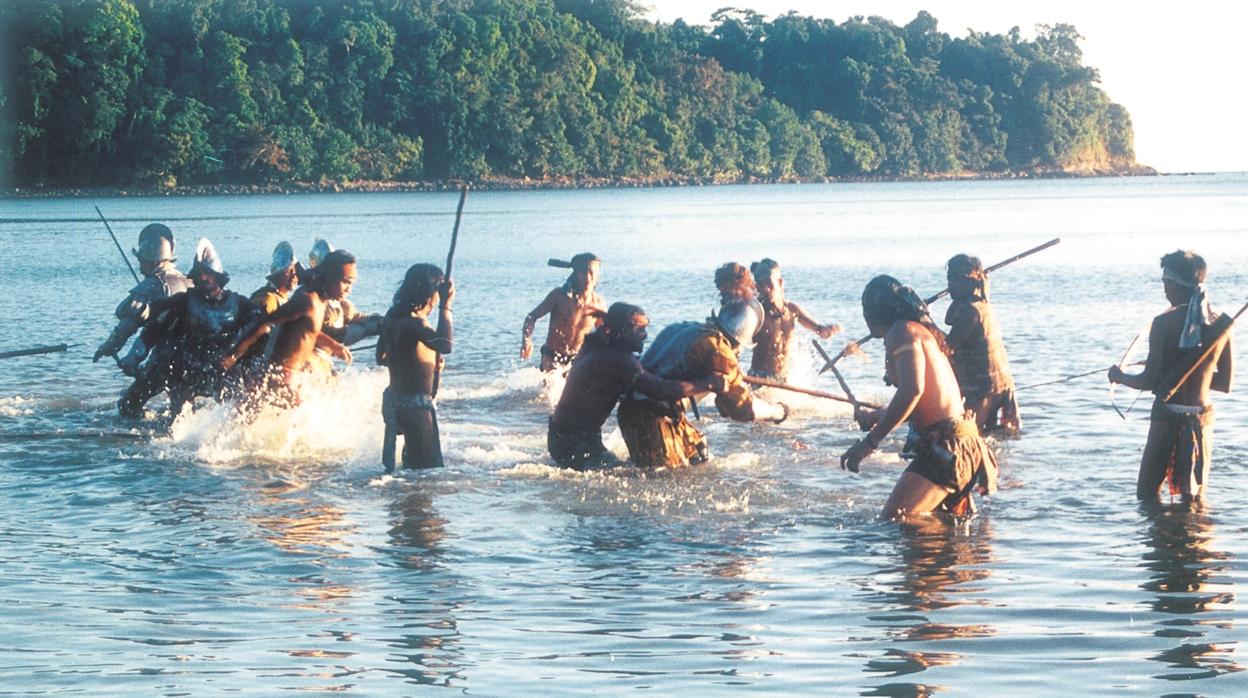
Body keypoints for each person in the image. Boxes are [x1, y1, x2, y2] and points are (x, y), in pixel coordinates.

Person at [840, 275, 998, 520]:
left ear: (871, 312)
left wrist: (869, 443)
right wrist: (878, 416)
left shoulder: (901, 331)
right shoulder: (916, 331)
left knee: (894, 520)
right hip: (961, 443)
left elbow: (913, 390)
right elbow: (922, 402)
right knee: (941, 530)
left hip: (948, 448)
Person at [1108, 250, 1234, 500]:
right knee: (1195, 497)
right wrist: (1196, 374)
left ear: (1174, 284)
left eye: (1166, 284)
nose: (1165, 291)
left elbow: (1149, 380)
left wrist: (1119, 377)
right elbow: (1224, 383)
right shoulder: (1221, 325)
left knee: (1147, 494)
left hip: (1166, 416)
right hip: (1201, 418)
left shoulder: (1163, 323)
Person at [548, 302, 726, 469]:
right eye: (640, 329)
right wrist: (709, 383)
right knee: (627, 474)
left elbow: (638, 370)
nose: (645, 335)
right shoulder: (617, 359)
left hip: (561, 437)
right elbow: (660, 389)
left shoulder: (595, 345)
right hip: (573, 444)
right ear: (625, 331)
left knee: (622, 467)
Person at [617, 298, 788, 467]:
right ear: (741, 339)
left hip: (638, 409)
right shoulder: (719, 350)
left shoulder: (680, 328)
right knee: (667, 477)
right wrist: (777, 412)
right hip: (651, 419)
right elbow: (741, 408)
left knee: (699, 455)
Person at [221, 249, 357, 408]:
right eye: (346, 282)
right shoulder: (308, 300)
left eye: (352, 283)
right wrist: (234, 355)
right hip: (281, 379)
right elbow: (265, 321)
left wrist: (334, 345)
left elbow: (307, 329)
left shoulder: (321, 297)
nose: (349, 289)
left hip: (289, 378)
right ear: (329, 277)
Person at [145, 239, 258, 417]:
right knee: (177, 418)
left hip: (224, 369)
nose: (203, 277)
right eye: (199, 274)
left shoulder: (241, 305)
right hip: (189, 371)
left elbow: (259, 329)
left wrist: (238, 356)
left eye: (207, 273)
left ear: (217, 276)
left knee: (237, 412)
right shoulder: (183, 302)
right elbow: (154, 330)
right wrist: (137, 353)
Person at [93, 223, 194, 417]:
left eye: (141, 261)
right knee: (182, 411)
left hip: (165, 361)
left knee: (128, 405)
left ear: (149, 261)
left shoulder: (149, 287)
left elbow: (126, 327)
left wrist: (108, 348)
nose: (139, 267)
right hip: (193, 360)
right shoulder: (190, 281)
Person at [376, 264, 454, 471]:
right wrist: (446, 307)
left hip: (393, 401)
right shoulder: (416, 324)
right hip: (414, 406)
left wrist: (424, 364)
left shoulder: (391, 318)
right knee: (424, 474)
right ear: (430, 294)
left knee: (408, 469)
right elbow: (445, 344)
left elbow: (381, 357)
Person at [943, 254, 1020, 433]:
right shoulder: (981, 303)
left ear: (971, 282)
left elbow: (947, 347)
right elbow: (948, 319)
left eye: (957, 280)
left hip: (984, 391)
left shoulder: (971, 312)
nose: (951, 285)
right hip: (995, 385)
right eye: (949, 279)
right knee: (984, 438)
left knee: (967, 438)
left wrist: (923, 320)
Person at [749, 258, 842, 380]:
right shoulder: (755, 312)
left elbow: (819, 330)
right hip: (759, 379)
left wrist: (829, 330)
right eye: (761, 285)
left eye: (769, 283)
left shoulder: (792, 310)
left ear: (780, 283)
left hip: (784, 379)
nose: (766, 289)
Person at [307, 239, 382, 375]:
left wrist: (381, 321)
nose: (349, 289)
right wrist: (367, 329)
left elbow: (354, 317)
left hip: (323, 360)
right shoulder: (312, 300)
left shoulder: (338, 301)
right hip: (309, 361)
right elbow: (317, 331)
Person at [521, 253, 606, 371]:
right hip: (552, 356)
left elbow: (605, 333)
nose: (588, 277)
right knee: (548, 389)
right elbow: (531, 317)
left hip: (577, 359)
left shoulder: (598, 304)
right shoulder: (560, 296)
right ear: (576, 274)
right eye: (584, 272)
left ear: (598, 275)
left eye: (593, 273)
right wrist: (526, 341)